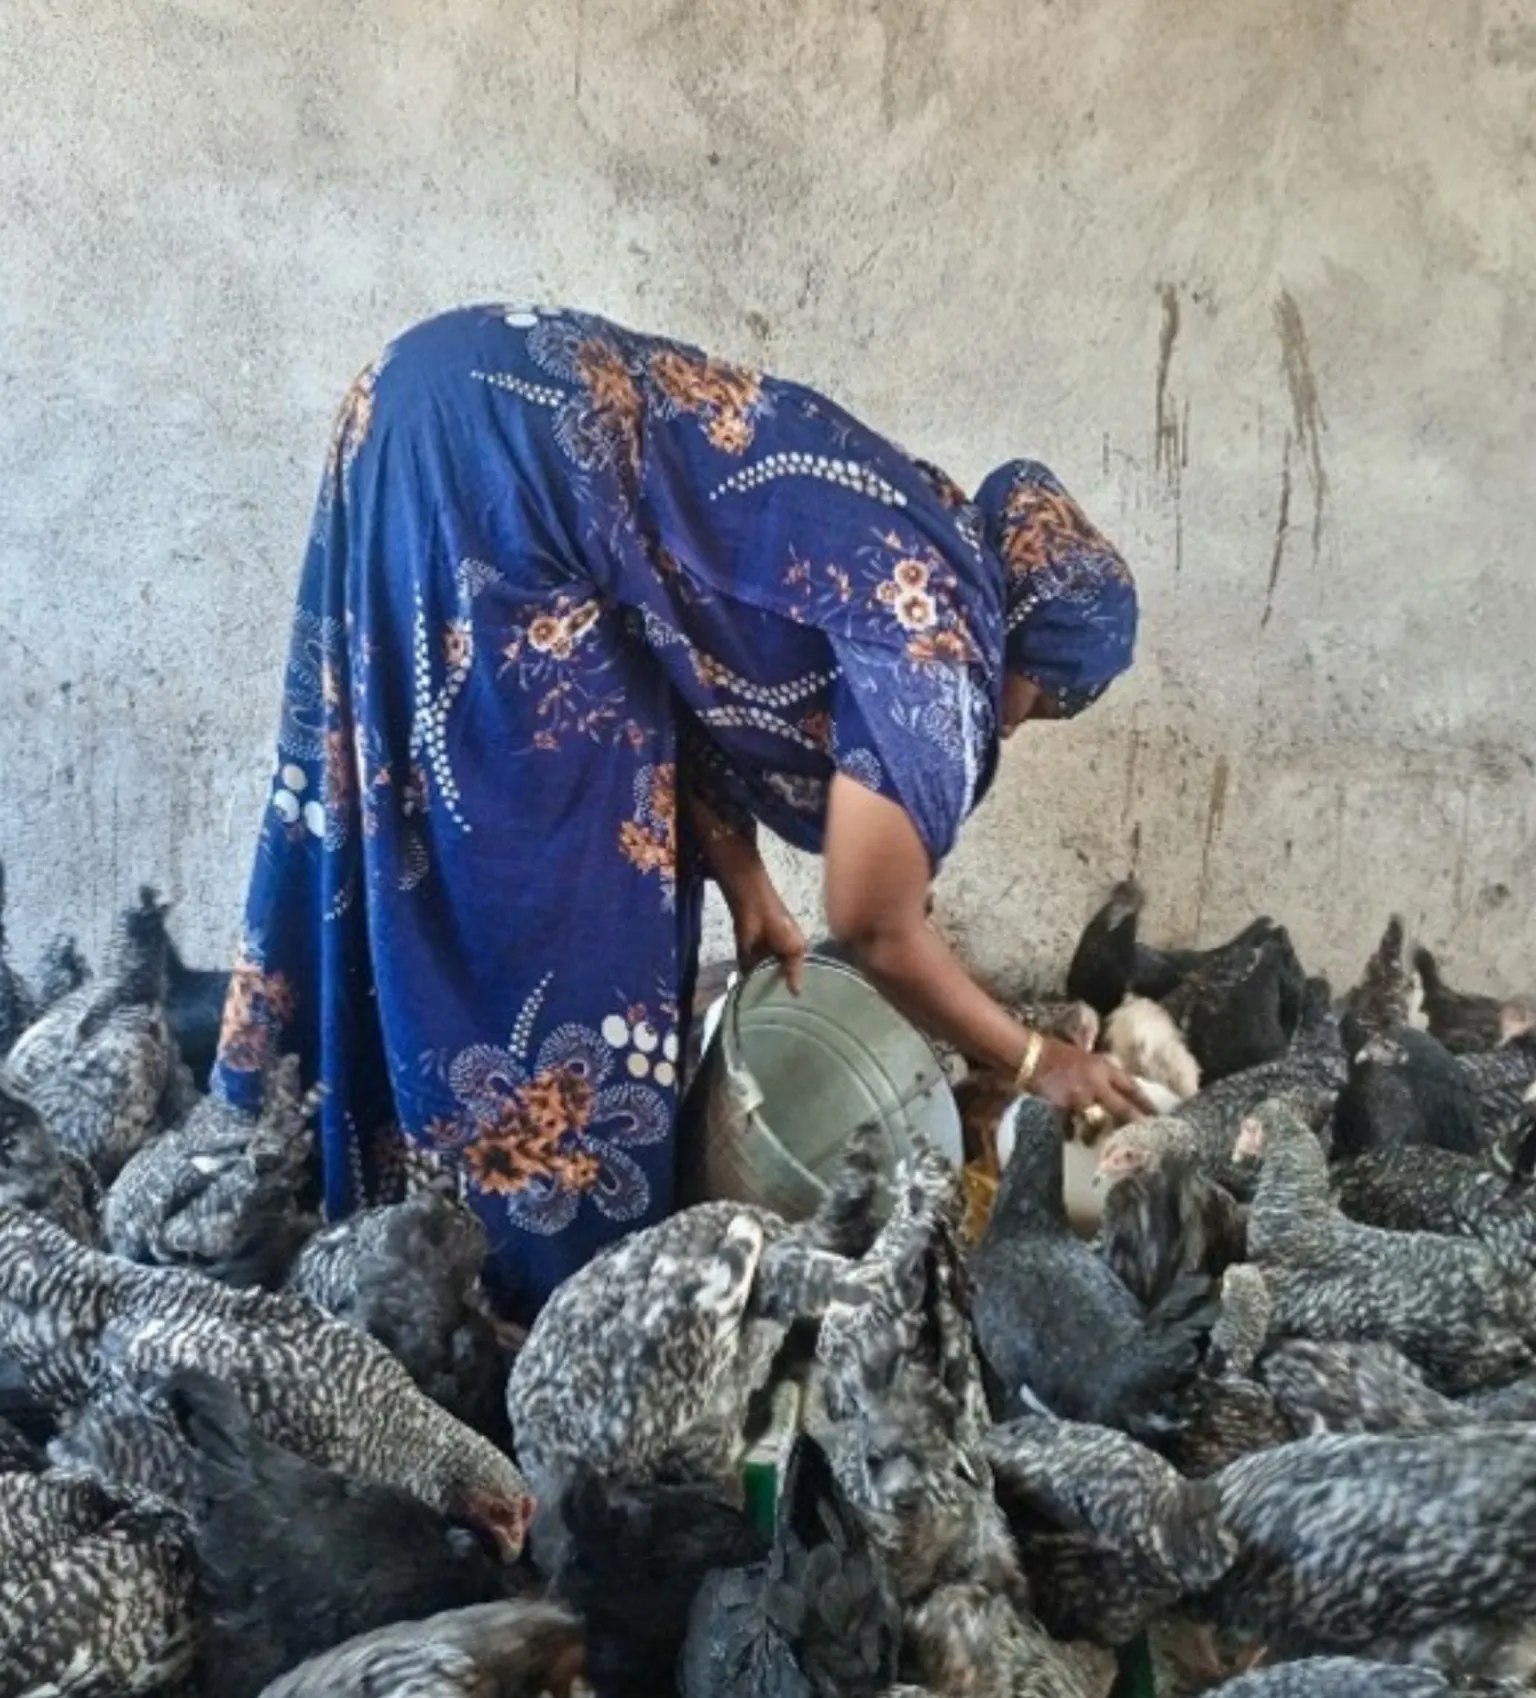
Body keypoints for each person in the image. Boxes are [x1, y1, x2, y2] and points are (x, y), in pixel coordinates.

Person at [213, 304, 1147, 1319]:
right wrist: (1032, 1058)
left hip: (433, 391)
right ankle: (526, 1294)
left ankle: (327, 1179)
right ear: (1036, 667)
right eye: (1044, 705)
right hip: (507, 483)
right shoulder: (944, 642)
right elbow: (878, 926)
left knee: (414, 813)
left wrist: (745, 881)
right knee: (553, 909)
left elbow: (676, 628)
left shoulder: (918, 519)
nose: (1015, 726)